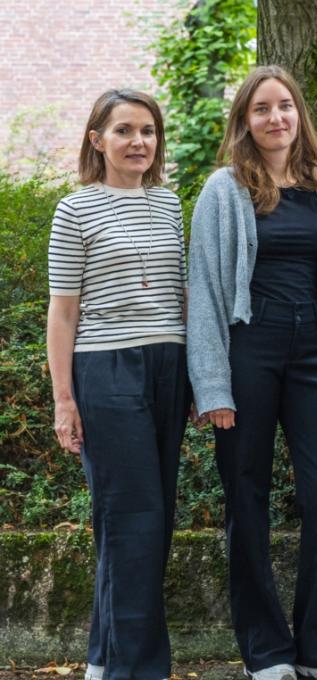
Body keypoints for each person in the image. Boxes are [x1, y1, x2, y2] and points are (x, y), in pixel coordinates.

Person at [188, 66, 317, 680]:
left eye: (285, 106)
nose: (275, 118)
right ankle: (264, 651)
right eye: (262, 108)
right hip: (250, 347)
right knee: (247, 494)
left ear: (299, 115)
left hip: (315, 350)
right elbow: (207, 293)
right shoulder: (223, 189)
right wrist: (211, 384)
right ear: (245, 120)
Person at [47, 90, 189, 680]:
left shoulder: (170, 205)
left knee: (146, 517)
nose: (139, 142)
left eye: (149, 131)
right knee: (134, 514)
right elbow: (62, 313)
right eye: (125, 130)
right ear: (96, 139)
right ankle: (140, 668)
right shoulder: (75, 210)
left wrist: (204, 379)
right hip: (106, 368)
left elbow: (183, 296)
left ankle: (105, 657)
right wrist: (64, 400)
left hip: (169, 365)